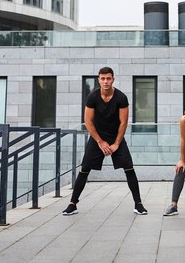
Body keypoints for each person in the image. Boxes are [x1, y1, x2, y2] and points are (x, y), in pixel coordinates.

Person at [63, 66, 148, 216]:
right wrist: (100, 141)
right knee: (84, 169)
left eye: (108, 78)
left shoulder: (121, 98)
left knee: (129, 167)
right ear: (98, 80)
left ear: (113, 79)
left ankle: (138, 204)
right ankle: (72, 204)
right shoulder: (93, 97)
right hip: (98, 137)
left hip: (116, 137)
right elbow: (88, 121)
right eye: (102, 79)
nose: (105, 81)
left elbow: (123, 123)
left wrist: (116, 143)